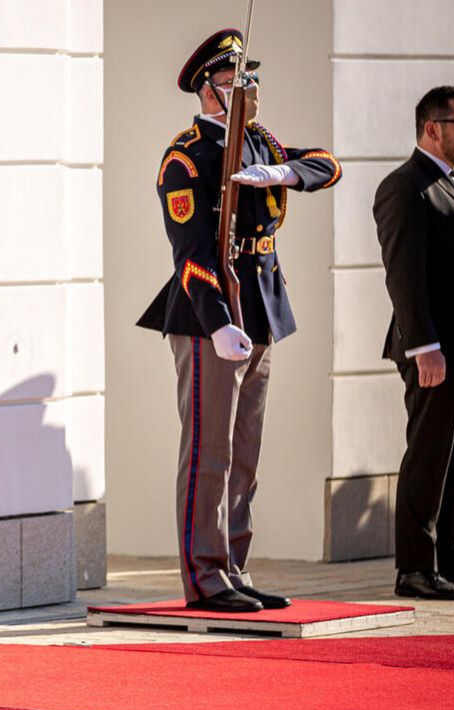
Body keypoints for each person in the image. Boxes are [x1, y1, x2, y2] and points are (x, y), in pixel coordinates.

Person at [137, 29, 341, 613]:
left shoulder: (260, 143)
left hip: (262, 306)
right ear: (208, 91)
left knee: (245, 452)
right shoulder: (187, 156)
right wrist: (219, 320)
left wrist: (283, 175)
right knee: (210, 451)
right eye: (233, 83)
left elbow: (327, 165)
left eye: (248, 81)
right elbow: (193, 252)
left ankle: (234, 566)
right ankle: (204, 576)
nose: (247, 92)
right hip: (211, 314)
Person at [375, 85, 454, 601]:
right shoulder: (406, 186)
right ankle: (414, 569)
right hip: (436, 352)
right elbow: (404, 275)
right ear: (432, 129)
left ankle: (449, 564)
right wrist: (424, 347)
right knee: (430, 458)